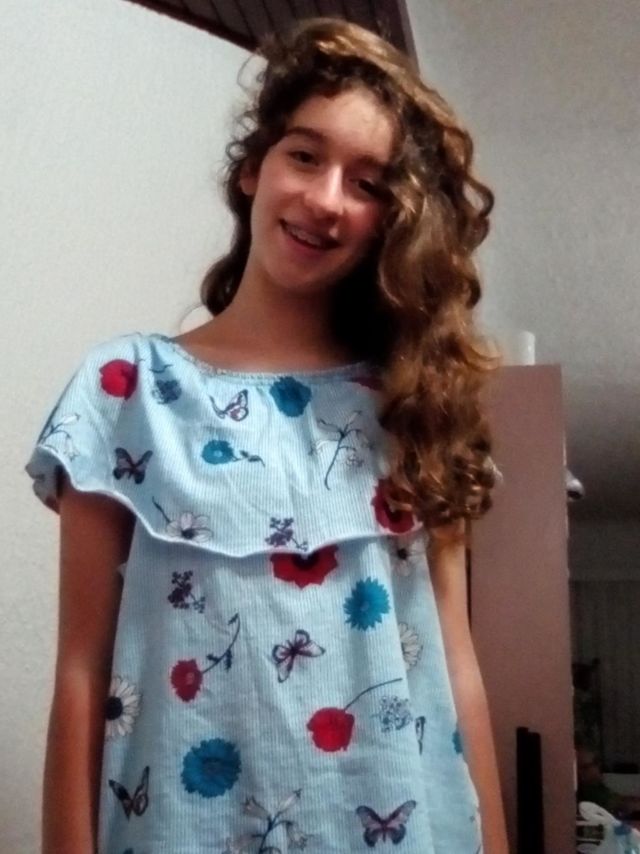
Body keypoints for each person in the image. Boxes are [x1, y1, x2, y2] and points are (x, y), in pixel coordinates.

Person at [25, 17, 509, 854]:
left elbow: (455, 667)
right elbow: (81, 671)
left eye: (368, 183)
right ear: (253, 168)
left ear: (391, 221)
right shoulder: (125, 391)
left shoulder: (414, 408)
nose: (326, 199)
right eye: (306, 156)